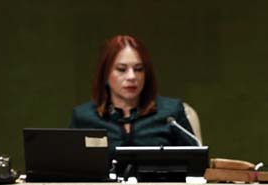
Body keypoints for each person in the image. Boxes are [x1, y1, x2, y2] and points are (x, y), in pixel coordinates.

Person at [70, 35, 199, 152]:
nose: (131, 76)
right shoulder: (84, 118)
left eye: (138, 69)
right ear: (105, 74)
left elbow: (195, 164)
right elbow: (70, 166)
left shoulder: (171, 113)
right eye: (122, 69)